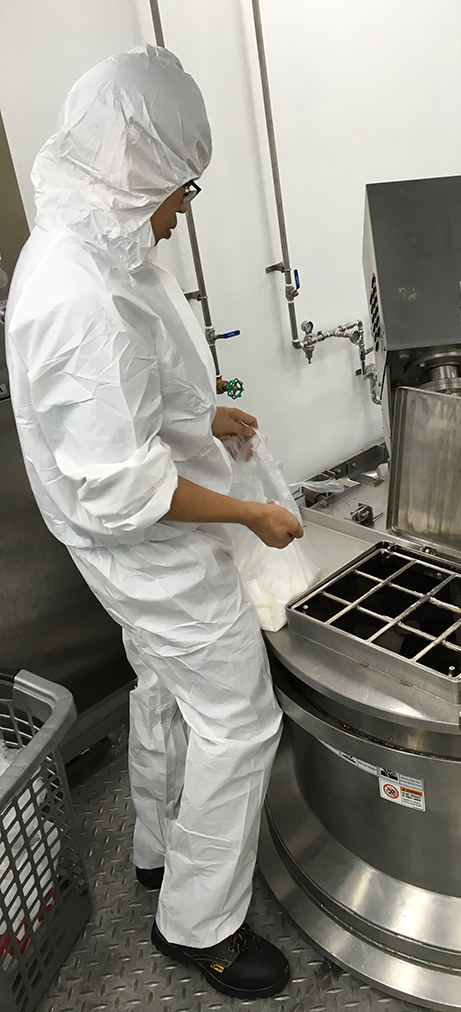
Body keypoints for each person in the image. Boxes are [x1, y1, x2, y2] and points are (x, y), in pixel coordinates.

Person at [4, 46, 303, 1001]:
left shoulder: (91, 246)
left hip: (130, 549)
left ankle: (158, 848)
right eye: (183, 187)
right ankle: (199, 926)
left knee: (165, 686)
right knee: (239, 721)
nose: (182, 209)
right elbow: (128, 488)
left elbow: (133, 393)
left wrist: (203, 416)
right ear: (134, 170)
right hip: (150, 554)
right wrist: (252, 514)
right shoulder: (80, 296)